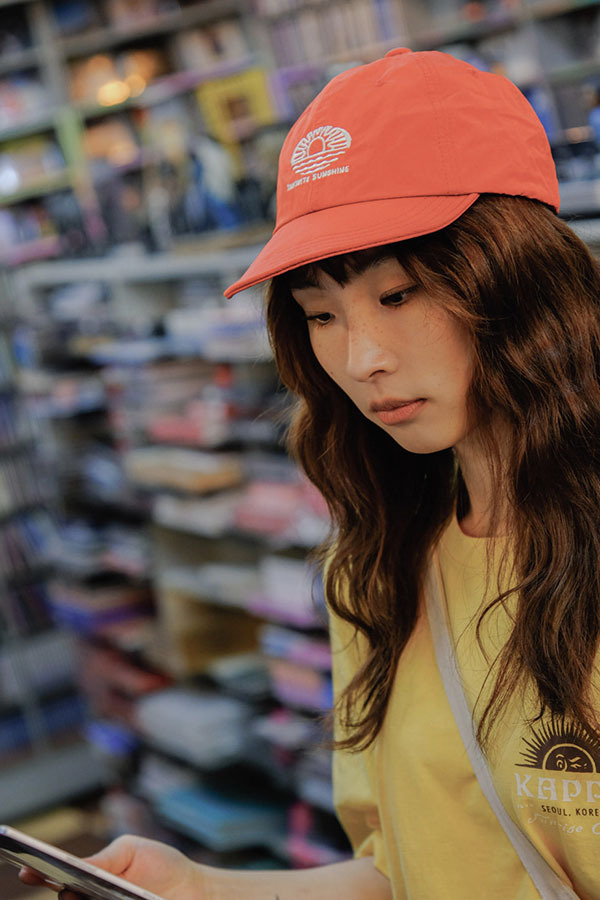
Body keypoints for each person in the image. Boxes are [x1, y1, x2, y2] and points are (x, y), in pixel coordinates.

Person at [21, 47, 600, 899]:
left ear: (522, 276)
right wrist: (205, 890)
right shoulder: (377, 564)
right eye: (320, 315)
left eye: (398, 295)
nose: (362, 359)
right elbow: (407, 872)